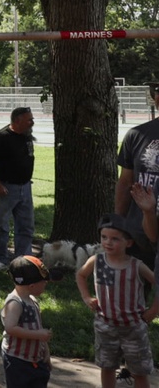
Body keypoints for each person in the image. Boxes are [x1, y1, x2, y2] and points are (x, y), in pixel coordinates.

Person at [75, 213, 156, 388]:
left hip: (134, 328)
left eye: (115, 239)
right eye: (104, 237)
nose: (108, 242)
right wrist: (87, 297)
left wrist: (153, 312)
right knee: (107, 367)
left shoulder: (137, 265)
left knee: (139, 371)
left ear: (129, 242)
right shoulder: (96, 261)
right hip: (105, 326)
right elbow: (81, 275)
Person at [114, 83, 159, 271]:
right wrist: (117, 225)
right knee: (131, 293)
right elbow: (125, 183)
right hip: (137, 234)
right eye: (157, 92)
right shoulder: (137, 134)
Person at [0, 107, 36, 271]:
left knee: (25, 224)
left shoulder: (26, 136)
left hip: (25, 187)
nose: (32, 122)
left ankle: (23, 258)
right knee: (0, 223)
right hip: (6, 187)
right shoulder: (2, 137)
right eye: (29, 119)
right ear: (17, 120)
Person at [1, 255, 56, 388]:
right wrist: (38, 335)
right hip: (18, 360)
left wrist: (46, 353)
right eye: (44, 282)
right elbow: (10, 328)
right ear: (32, 286)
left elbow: (38, 327)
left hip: (35, 359)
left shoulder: (32, 300)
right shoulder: (15, 303)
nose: (46, 284)